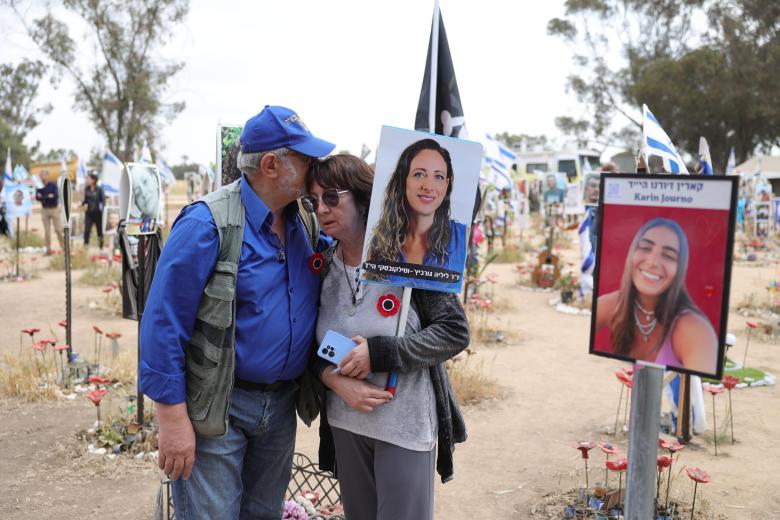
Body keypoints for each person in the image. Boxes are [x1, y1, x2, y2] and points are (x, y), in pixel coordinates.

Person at [139, 105, 335, 519]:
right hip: (217, 408)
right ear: (270, 165)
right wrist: (172, 420)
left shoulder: (304, 221)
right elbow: (162, 324)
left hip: (280, 407)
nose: (314, 168)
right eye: (305, 159)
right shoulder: (206, 224)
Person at [307, 154, 470, 520]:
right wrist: (331, 379)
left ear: (364, 198)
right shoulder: (319, 266)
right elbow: (306, 346)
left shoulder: (411, 258)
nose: (321, 208)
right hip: (346, 427)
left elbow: (454, 331)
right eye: (313, 200)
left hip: (404, 427)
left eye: (332, 197)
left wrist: (379, 354)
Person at [595, 218, 718, 374]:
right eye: (646, 248)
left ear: (679, 269)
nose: (653, 262)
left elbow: (699, 394)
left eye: (668, 256)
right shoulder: (613, 304)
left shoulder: (695, 330)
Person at [365, 138, 467, 290]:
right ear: (403, 180)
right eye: (419, 174)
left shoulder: (462, 237)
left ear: (447, 184)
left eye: (438, 176)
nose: (428, 186)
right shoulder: (381, 240)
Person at [35, 169, 64, 255]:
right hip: (44, 210)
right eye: (40, 176)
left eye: (43, 175)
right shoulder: (39, 186)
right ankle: (48, 249)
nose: (42, 177)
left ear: (47, 176)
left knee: (58, 230)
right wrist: (47, 196)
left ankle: (64, 248)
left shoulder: (53, 185)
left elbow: (55, 196)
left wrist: (43, 196)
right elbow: (37, 197)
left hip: (54, 209)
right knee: (47, 232)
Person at [82, 172, 105, 248]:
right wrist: (81, 203)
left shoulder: (99, 189)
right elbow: (85, 200)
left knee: (99, 230)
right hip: (89, 213)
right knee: (87, 230)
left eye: (88, 179)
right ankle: (86, 244)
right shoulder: (86, 189)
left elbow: (103, 201)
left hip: (98, 213)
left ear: (93, 180)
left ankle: (101, 245)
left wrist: (101, 209)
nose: (87, 180)